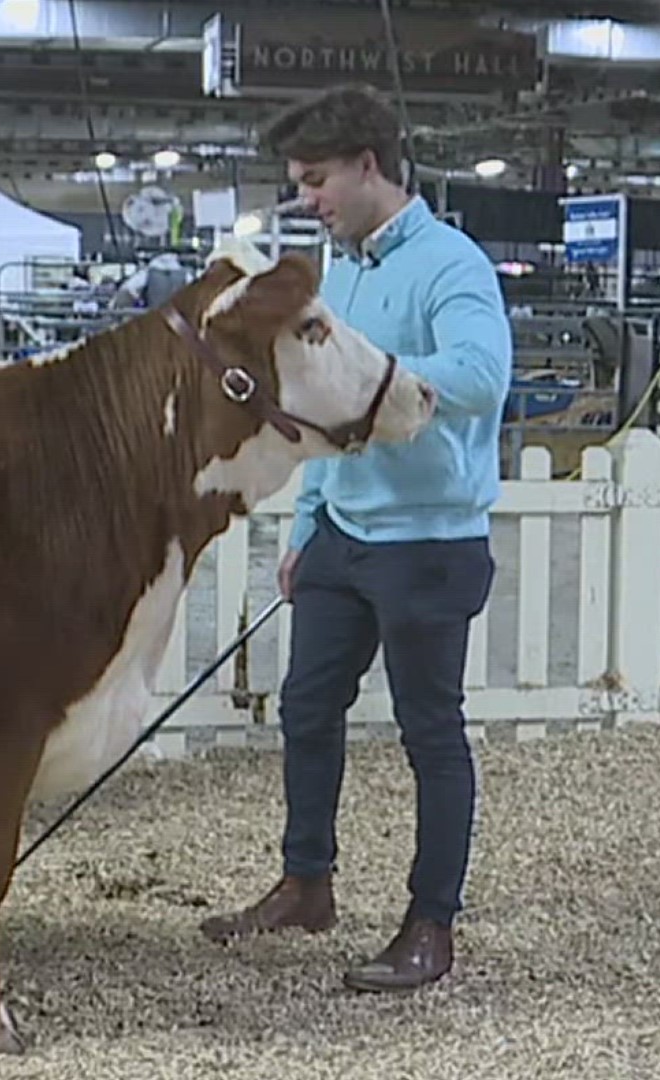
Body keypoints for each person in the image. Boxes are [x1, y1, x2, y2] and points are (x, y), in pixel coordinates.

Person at [198, 83, 512, 995]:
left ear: (370, 166)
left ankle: (430, 922)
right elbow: (325, 416)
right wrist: (305, 525)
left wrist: (381, 375)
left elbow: (485, 375)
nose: (307, 199)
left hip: (430, 538)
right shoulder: (347, 271)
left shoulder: (453, 263)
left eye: (317, 179)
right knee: (305, 710)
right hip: (342, 531)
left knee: (430, 732)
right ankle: (307, 884)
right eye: (299, 183)